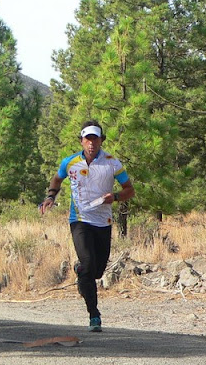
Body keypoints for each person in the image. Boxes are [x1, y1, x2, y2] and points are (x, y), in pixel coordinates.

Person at [40, 120, 135, 332]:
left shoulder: (112, 163)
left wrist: (117, 197)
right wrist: (50, 197)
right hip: (80, 220)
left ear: (101, 140)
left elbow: (130, 189)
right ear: (81, 141)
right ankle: (94, 315)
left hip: (103, 222)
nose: (91, 143)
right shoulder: (70, 162)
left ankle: (81, 271)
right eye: (87, 139)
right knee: (89, 263)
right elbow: (56, 180)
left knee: (97, 271)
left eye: (95, 139)